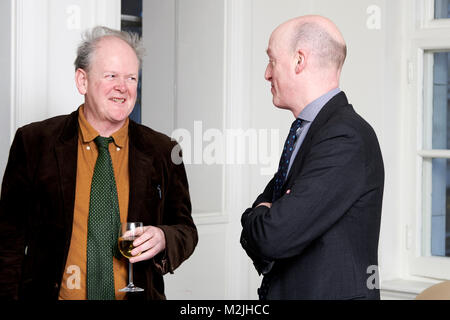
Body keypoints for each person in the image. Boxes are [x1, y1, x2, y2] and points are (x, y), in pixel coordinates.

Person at [0, 26, 198, 300]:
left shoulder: (163, 149)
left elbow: (186, 229)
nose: (123, 87)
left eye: (131, 77)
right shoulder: (33, 142)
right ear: (82, 81)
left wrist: (165, 237)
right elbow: (8, 242)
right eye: (111, 76)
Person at [240, 15, 384, 300]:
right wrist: (265, 213)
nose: (267, 74)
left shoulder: (345, 137)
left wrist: (255, 214)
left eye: (271, 60)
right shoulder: (309, 131)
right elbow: (273, 224)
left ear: (299, 61)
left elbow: (272, 236)